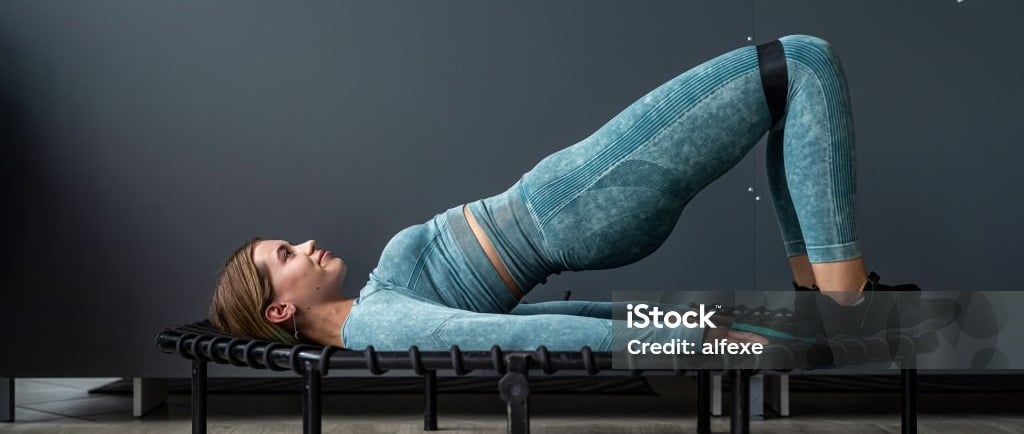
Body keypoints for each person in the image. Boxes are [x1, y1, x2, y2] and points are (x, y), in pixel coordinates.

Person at [208, 34, 917, 352]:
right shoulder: (375, 326)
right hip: (574, 204)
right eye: (285, 253)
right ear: (279, 305)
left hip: (569, 207)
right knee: (800, 62)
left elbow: (521, 316)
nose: (303, 243)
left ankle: (824, 297)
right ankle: (845, 302)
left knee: (788, 92)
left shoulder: (375, 307)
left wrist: (692, 321)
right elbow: (516, 337)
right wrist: (676, 338)